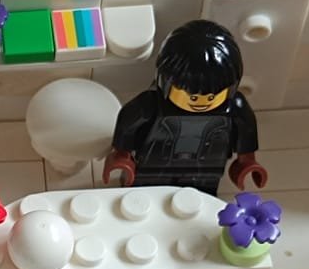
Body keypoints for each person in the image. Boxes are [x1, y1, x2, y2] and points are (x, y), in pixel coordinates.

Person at [104, 19, 266, 195]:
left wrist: (246, 162)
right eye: (193, 97)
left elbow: (245, 131)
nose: (202, 103)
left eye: (211, 97)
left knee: (201, 196)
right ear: (166, 82)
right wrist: (121, 156)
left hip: (205, 169)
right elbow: (128, 124)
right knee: (144, 195)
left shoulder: (234, 108)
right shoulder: (150, 105)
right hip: (154, 167)